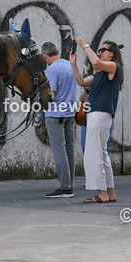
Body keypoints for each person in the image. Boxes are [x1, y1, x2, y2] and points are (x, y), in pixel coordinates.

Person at [70, 37, 122, 204]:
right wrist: (73, 64)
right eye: (99, 50)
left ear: (112, 54)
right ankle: (110, 192)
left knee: (95, 154)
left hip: (99, 114)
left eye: (103, 50)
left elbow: (97, 63)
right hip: (98, 115)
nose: (100, 53)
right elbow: (81, 82)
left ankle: (102, 193)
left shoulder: (114, 67)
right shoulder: (99, 75)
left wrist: (85, 45)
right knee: (102, 154)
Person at [41, 41, 77, 198]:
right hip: (70, 113)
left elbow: (52, 94)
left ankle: (65, 187)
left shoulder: (52, 70)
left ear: (45, 56)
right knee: (70, 149)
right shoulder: (70, 65)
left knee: (59, 150)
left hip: (55, 114)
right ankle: (70, 183)